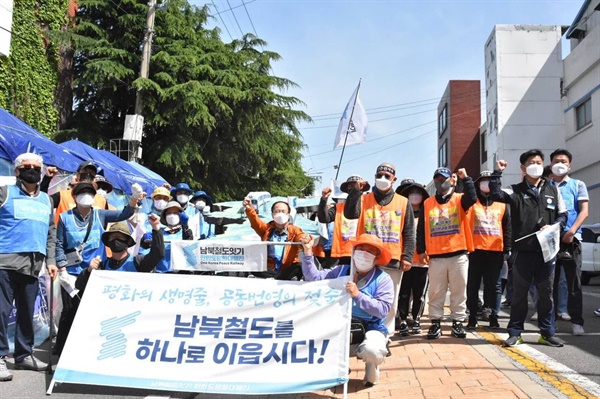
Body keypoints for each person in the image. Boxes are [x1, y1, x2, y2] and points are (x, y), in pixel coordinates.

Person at [54, 182, 144, 356]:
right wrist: (62, 268)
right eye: (82, 192)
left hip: (96, 272)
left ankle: (89, 347)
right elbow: (58, 244)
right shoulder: (65, 218)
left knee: (93, 310)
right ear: (74, 197)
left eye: (89, 192)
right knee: (69, 310)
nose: (86, 195)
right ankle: (61, 348)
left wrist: (133, 199)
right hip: (72, 273)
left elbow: (124, 213)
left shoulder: (100, 215)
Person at [489, 150, 567, 348]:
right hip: (523, 252)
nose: (536, 165)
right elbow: (495, 194)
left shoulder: (552, 189)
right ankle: (515, 332)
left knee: (546, 294)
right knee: (519, 295)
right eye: (531, 162)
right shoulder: (515, 190)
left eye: (539, 161)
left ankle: (547, 333)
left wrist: (553, 226)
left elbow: (563, 216)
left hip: (547, 253)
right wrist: (497, 173)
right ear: (523, 168)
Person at [300, 233, 393, 388]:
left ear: (376, 257)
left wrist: (358, 295)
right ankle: (337, 368)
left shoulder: (383, 279)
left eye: (370, 251)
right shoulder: (340, 271)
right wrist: (308, 252)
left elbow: (382, 310)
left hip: (370, 326)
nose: (364, 254)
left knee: (373, 350)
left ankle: (372, 369)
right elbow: (314, 280)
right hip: (338, 324)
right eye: (361, 248)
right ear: (354, 251)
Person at [0, 153, 58, 381]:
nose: (32, 170)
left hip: (34, 265)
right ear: (17, 171)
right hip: (5, 263)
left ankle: (24, 355)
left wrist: (51, 260)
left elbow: (51, 233)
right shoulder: (5, 193)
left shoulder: (47, 199)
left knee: (27, 313)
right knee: (1, 313)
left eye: (36, 167)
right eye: (26, 167)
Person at [344, 163, 415, 336]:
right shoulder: (364, 199)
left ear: (394, 180)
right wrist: (355, 191)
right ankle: (361, 329)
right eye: (379, 175)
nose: (382, 179)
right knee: (361, 295)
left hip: (392, 259)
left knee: (389, 301)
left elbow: (409, 231)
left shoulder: (403, 202)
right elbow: (350, 214)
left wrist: (407, 256)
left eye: (387, 176)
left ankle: (386, 333)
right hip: (365, 258)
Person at [416, 167, 477, 339]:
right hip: (436, 256)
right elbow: (422, 228)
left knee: (459, 290)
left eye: (443, 178)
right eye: (436, 179)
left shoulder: (460, 199)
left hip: (458, 253)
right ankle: (435, 323)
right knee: (435, 291)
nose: (439, 182)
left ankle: (457, 322)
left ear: (451, 179)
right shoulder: (427, 203)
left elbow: (472, 198)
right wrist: (421, 250)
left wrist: (466, 178)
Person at [466, 171, 512, 329]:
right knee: (473, 285)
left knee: (494, 285)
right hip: (475, 250)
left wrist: (508, 248)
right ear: (477, 184)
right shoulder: (473, 202)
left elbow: (507, 227)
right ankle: (472, 316)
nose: (485, 184)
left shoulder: (502, 203)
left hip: (496, 251)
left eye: (488, 181)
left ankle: (493, 315)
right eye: (482, 181)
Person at [549, 149, 588, 336]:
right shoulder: (544, 186)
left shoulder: (578, 184)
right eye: (556, 160)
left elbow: (584, 211)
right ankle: (550, 323)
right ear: (550, 165)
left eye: (563, 161)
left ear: (569, 165)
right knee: (549, 284)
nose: (560, 163)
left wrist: (572, 231)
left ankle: (577, 322)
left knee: (574, 284)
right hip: (549, 241)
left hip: (572, 239)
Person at [76, 216, 165, 294]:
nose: (116, 240)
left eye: (120, 237)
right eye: (113, 237)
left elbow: (158, 253)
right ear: (108, 242)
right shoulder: (101, 266)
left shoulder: (138, 262)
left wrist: (156, 229)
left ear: (128, 241)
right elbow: (79, 285)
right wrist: (88, 271)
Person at [396, 179, 430, 336]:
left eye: (418, 193)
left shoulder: (427, 214)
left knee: (419, 295)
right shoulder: (401, 214)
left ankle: (416, 319)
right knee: (403, 293)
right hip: (405, 260)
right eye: (411, 193)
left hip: (423, 262)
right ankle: (402, 320)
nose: (415, 196)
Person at [243, 198, 306, 280]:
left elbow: (300, 236)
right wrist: (249, 209)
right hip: (269, 268)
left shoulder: (295, 230)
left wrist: (303, 240)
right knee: (253, 264)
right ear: (272, 214)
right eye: (277, 211)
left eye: (283, 211)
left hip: (286, 268)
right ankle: (277, 279)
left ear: (288, 215)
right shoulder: (267, 229)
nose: (280, 214)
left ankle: (275, 279)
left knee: (299, 266)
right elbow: (256, 222)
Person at [318, 175, 370, 267]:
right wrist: (323, 200)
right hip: (342, 253)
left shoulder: (369, 206)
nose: (354, 188)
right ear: (346, 189)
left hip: (363, 253)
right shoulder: (339, 207)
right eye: (351, 186)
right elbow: (323, 218)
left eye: (356, 185)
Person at [43, 161, 108, 225]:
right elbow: (43, 203)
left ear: (94, 177)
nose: (88, 174)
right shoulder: (62, 195)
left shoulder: (102, 200)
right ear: (77, 175)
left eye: (91, 172)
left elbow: (104, 222)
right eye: (85, 171)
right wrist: (47, 178)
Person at [154, 201, 193, 273]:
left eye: (175, 213)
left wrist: (185, 226)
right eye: (169, 213)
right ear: (165, 216)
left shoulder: (186, 232)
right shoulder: (159, 232)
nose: (172, 216)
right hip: (161, 273)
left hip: (181, 273)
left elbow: (188, 245)